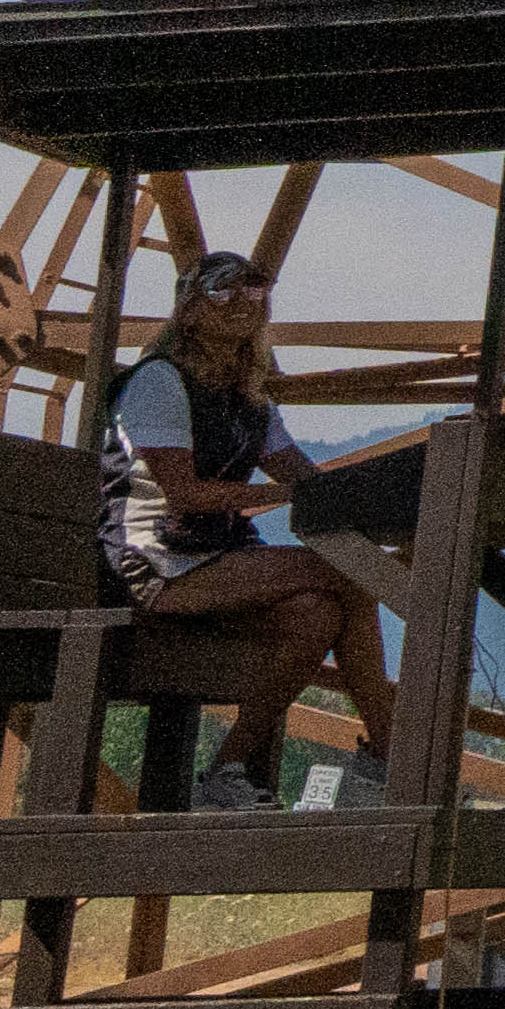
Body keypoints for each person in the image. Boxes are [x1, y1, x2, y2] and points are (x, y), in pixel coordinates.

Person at [98, 251, 408, 808]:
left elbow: (305, 479)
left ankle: (225, 772)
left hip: (214, 559)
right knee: (346, 573)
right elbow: (184, 494)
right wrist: (292, 496)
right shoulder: (159, 382)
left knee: (317, 612)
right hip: (155, 561)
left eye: (256, 291)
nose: (244, 301)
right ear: (188, 311)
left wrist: (380, 510)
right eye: (223, 289)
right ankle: (389, 756)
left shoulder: (250, 403)